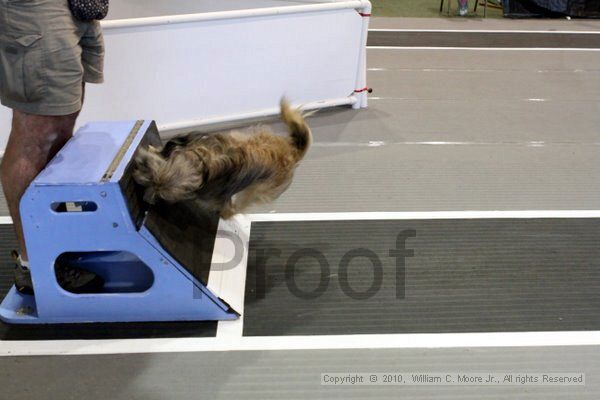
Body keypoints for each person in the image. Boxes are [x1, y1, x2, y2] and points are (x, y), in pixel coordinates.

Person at [0, 0, 106, 294]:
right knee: (36, 134)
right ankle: (34, 264)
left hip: (76, 7)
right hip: (36, 8)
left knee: (61, 124)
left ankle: (56, 242)